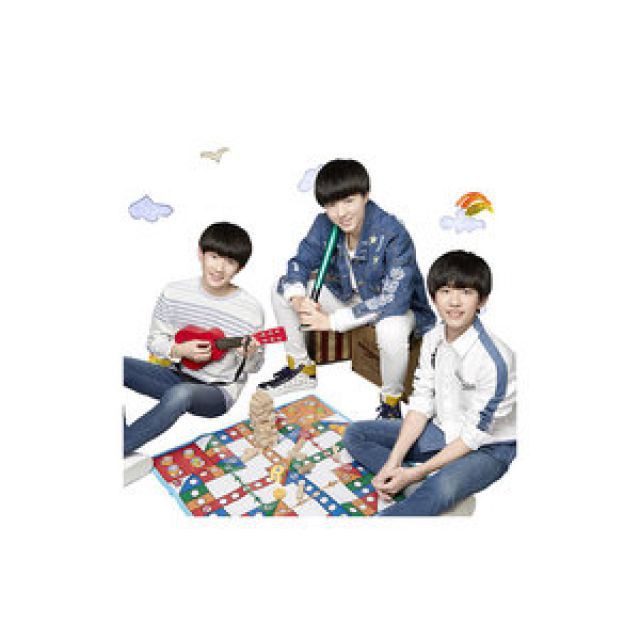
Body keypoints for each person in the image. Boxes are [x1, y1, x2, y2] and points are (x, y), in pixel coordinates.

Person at [343, 250, 516, 515]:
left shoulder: (495, 360)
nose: (454, 302)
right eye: (446, 291)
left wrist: (416, 472)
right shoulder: (433, 338)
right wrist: (393, 463)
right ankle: (413, 485)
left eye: (466, 292)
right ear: (434, 296)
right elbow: (421, 403)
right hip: (443, 429)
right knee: (356, 434)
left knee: (442, 488)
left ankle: (429, 490)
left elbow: (473, 436)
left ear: (482, 300)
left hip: (487, 447)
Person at [259, 159, 436, 419]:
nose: (340, 213)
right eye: (331, 205)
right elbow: (300, 262)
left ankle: (390, 403)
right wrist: (298, 299)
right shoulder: (324, 224)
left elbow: (394, 299)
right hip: (349, 299)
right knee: (280, 289)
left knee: (390, 331)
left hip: (397, 309)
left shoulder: (393, 233)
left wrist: (331, 321)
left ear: (366, 196)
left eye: (348, 201)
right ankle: (302, 369)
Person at [123, 222, 264, 484]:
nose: (219, 268)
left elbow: (254, 368)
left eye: (230, 262)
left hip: (217, 392)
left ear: (240, 268)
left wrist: (251, 354)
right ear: (200, 253)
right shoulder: (174, 292)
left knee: (181, 394)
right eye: (214, 257)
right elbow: (154, 341)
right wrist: (178, 349)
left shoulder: (250, 310)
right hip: (175, 374)